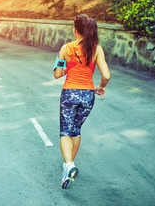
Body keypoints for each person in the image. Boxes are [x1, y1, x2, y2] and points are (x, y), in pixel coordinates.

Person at [53, 14, 110, 189]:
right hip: (87, 95)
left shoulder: (66, 48)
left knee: (65, 132)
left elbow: (57, 74)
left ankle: (69, 164)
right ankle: (68, 168)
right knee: (76, 131)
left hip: (69, 93)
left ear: (75, 30)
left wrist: (65, 67)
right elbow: (106, 75)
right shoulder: (96, 49)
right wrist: (100, 86)